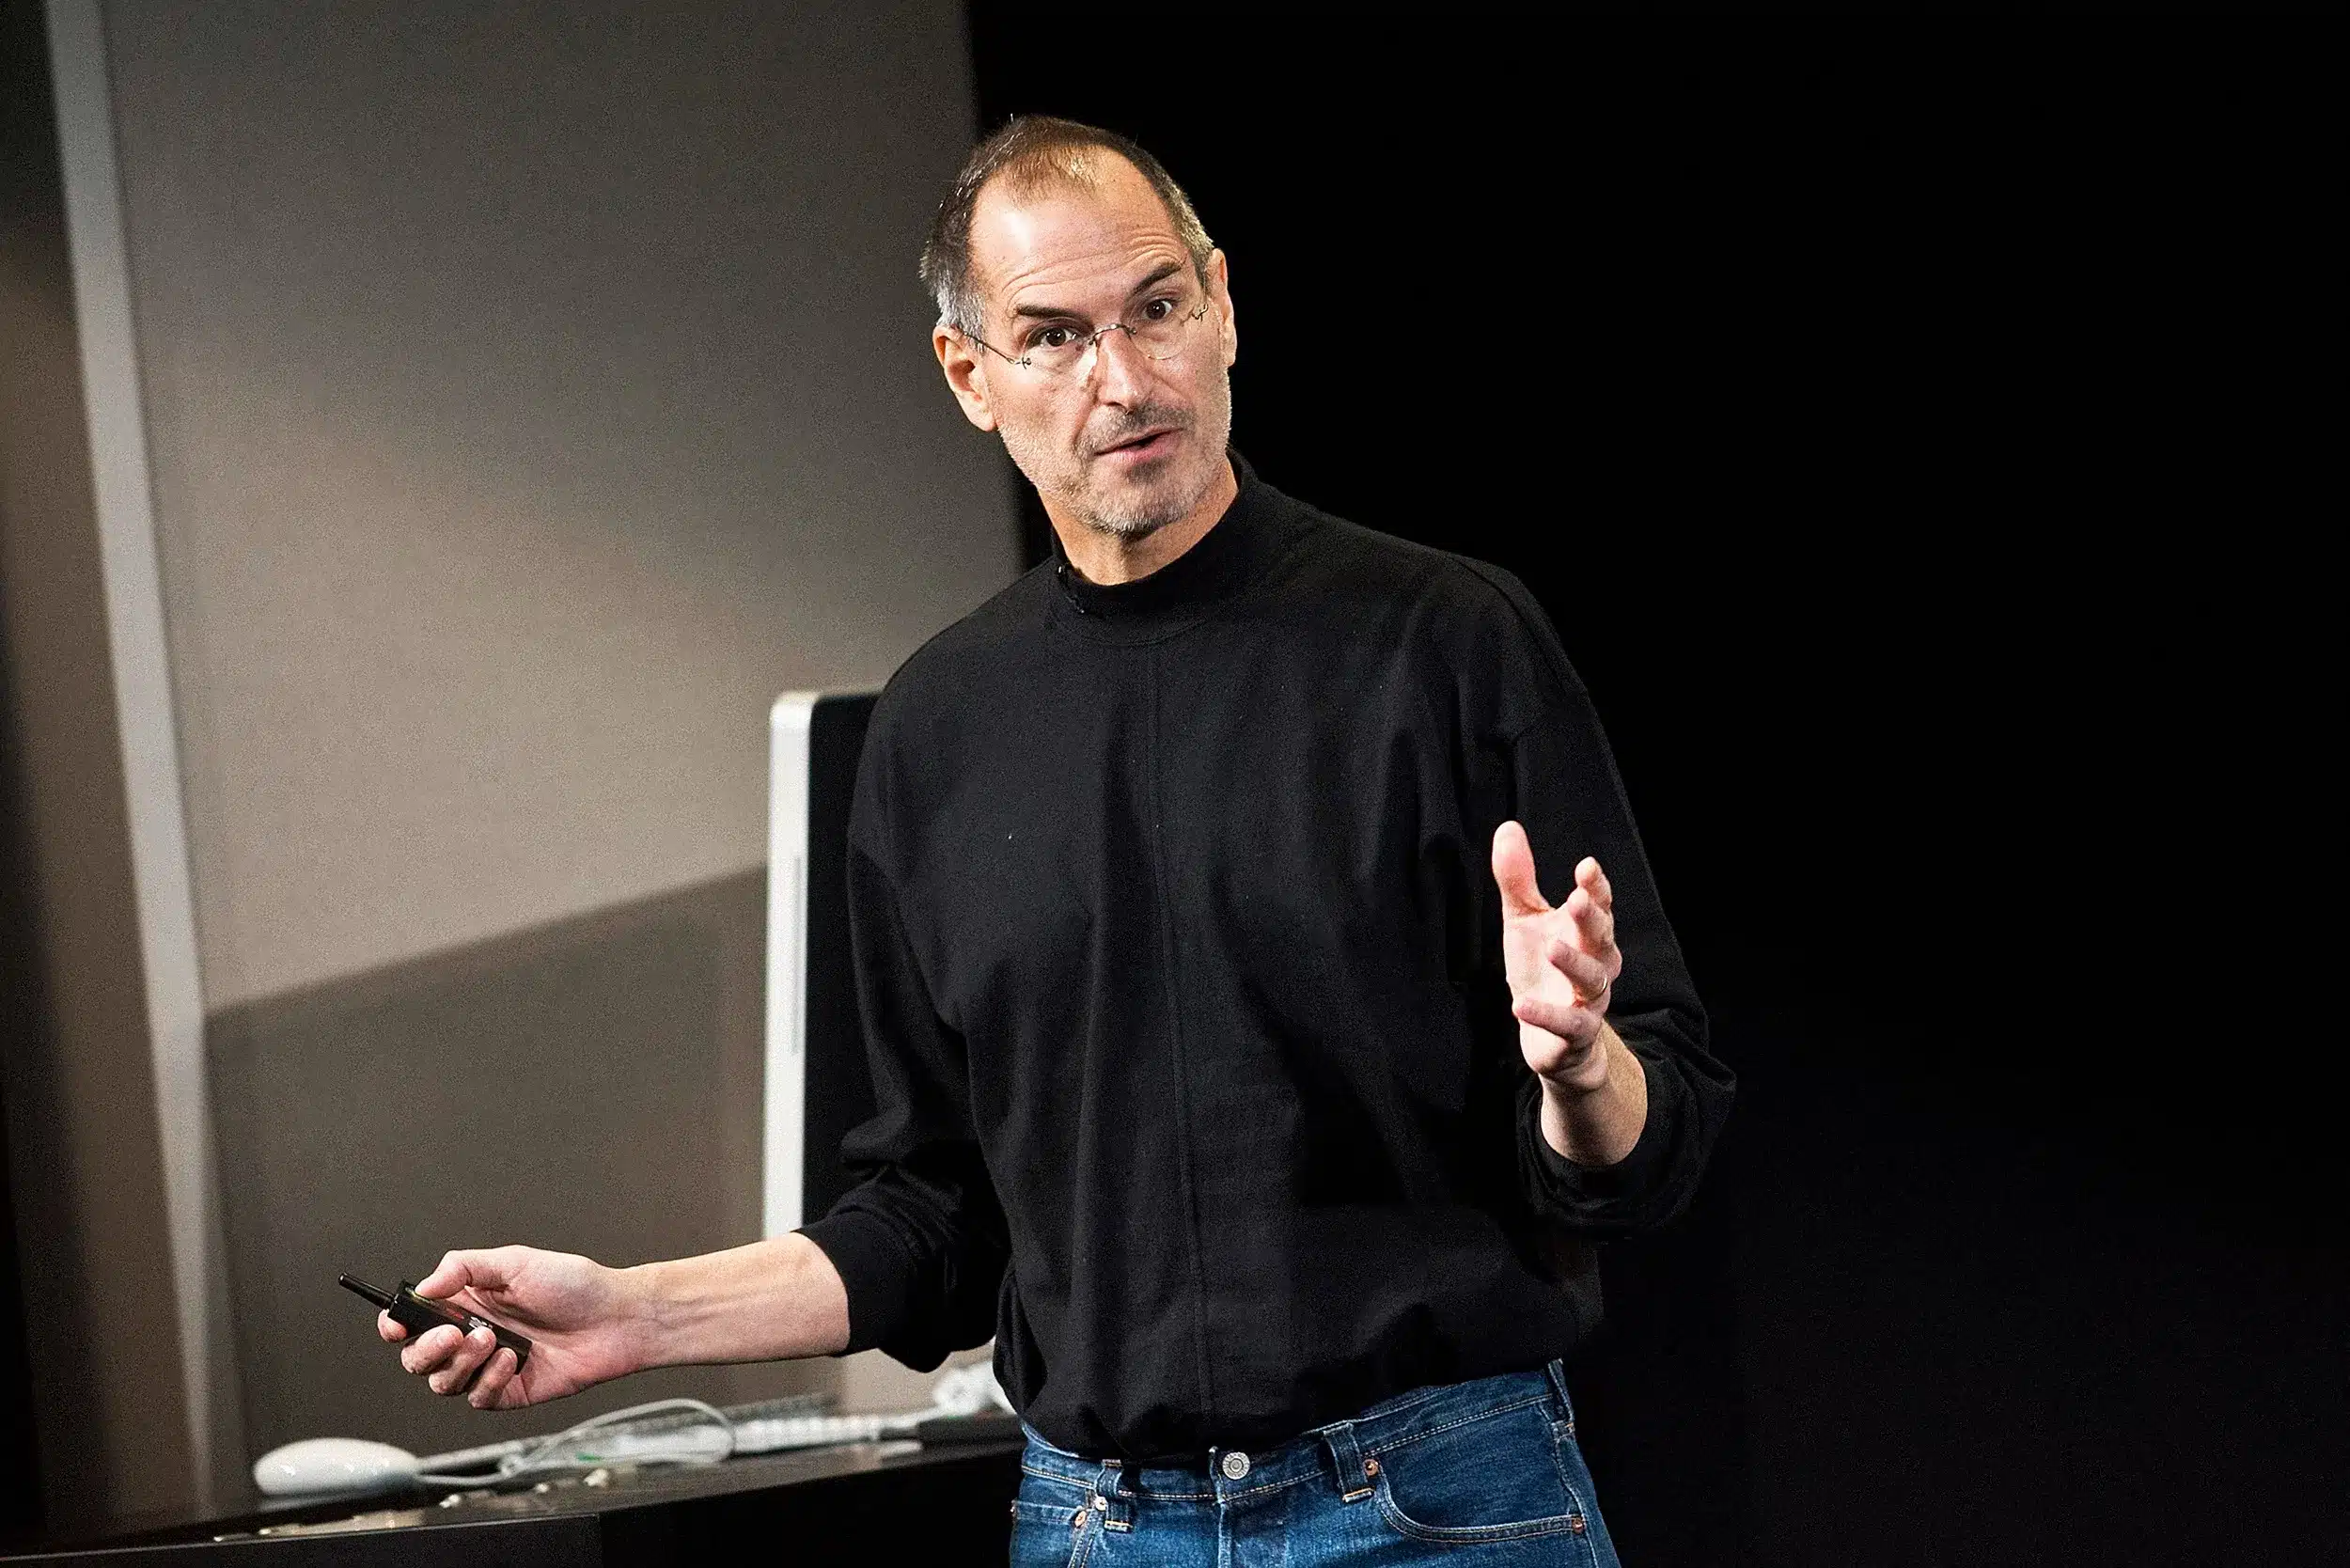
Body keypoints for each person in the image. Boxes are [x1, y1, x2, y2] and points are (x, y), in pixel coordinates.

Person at [381, 117, 1734, 1565]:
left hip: (1438, 1501)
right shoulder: (938, 729)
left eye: (1157, 309)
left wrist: (1584, 1070)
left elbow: (1657, 1131)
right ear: (971, 376)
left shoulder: (1446, 642)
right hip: (1100, 1524)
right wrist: (636, 1316)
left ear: (1223, 305)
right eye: (1053, 337)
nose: (1125, 381)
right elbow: (933, 1217)